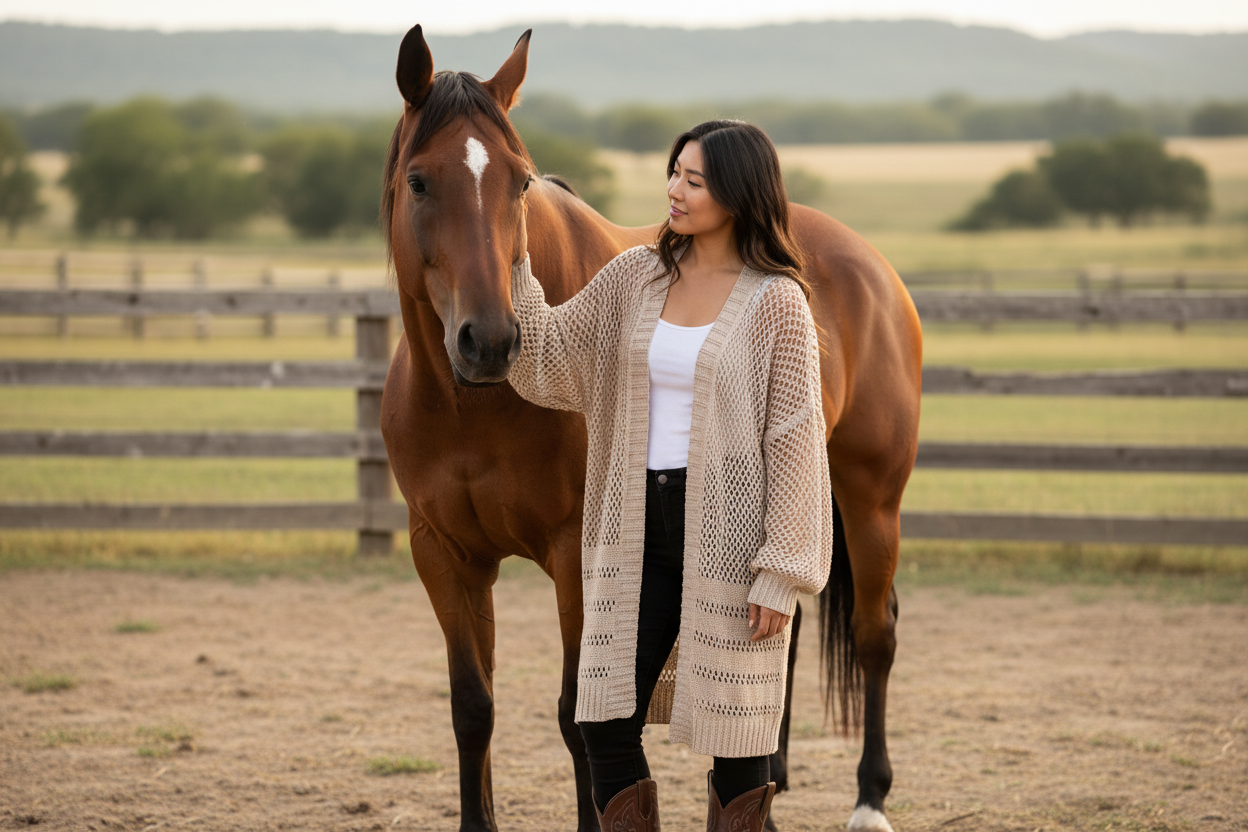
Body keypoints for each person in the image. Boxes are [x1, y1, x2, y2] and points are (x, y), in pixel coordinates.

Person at [507, 119, 833, 832]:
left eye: (695, 180)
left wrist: (783, 570)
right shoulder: (635, 276)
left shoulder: (777, 302)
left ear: (740, 195)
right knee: (604, 719)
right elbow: (551, 359)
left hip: (732, 541)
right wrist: (511, 260)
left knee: (739, 742)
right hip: (635, 530)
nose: (674, 191)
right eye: (673, 173)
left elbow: (797, 442)